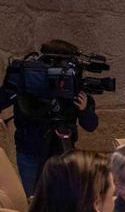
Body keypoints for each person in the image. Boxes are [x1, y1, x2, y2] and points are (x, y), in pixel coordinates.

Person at [12, 39, 100, 195]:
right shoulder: (30, 84)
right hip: (31, 151)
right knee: (35, 199)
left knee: (65, 200)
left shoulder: (74, 87)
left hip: (63, 151)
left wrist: (85, 109)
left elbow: (91, 125)